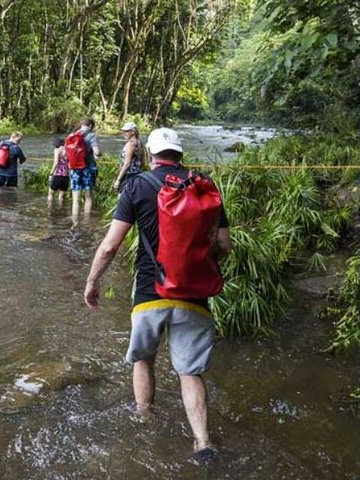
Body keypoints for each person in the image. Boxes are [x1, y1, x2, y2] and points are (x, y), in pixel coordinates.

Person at [83, 128, 231, 461]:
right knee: (190, 372)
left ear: (150, 155)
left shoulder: (137, 185)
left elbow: (110, 246)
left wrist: (92, 281)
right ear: (180, 154)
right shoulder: (204, 187)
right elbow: (224, 246)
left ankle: (145, 422)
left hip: (150, 292)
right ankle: (202, 441)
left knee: (143, 359)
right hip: (194, 295)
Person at [70, 118, 101, 217]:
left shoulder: (72, 135)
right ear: (91, 126)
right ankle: (87, 223)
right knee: (88, 197)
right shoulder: (91, 135)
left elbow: (65, 154)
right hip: (88, 169)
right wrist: (100, 154)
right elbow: (96, 152)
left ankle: (75, 222)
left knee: (75, 199)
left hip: (75, 169)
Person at [113, 121, 145, 192]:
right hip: (138, 174)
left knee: (123, 199)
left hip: (128, 176)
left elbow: (127, 164)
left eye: (126, 131)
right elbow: (142, 161)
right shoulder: (139, 142)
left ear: (133, 132)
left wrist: (118, 180)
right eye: (123, 131)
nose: (124, 133)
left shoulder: (130, 144)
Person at [48, 136, 69, 205]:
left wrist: (51, 173)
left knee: (51, 194)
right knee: (61, 196)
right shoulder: (68, 150)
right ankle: (61, 210)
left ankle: (50, 210)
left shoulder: (57, 150)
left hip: (57, 174)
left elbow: (56, 162)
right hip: (66, 175)